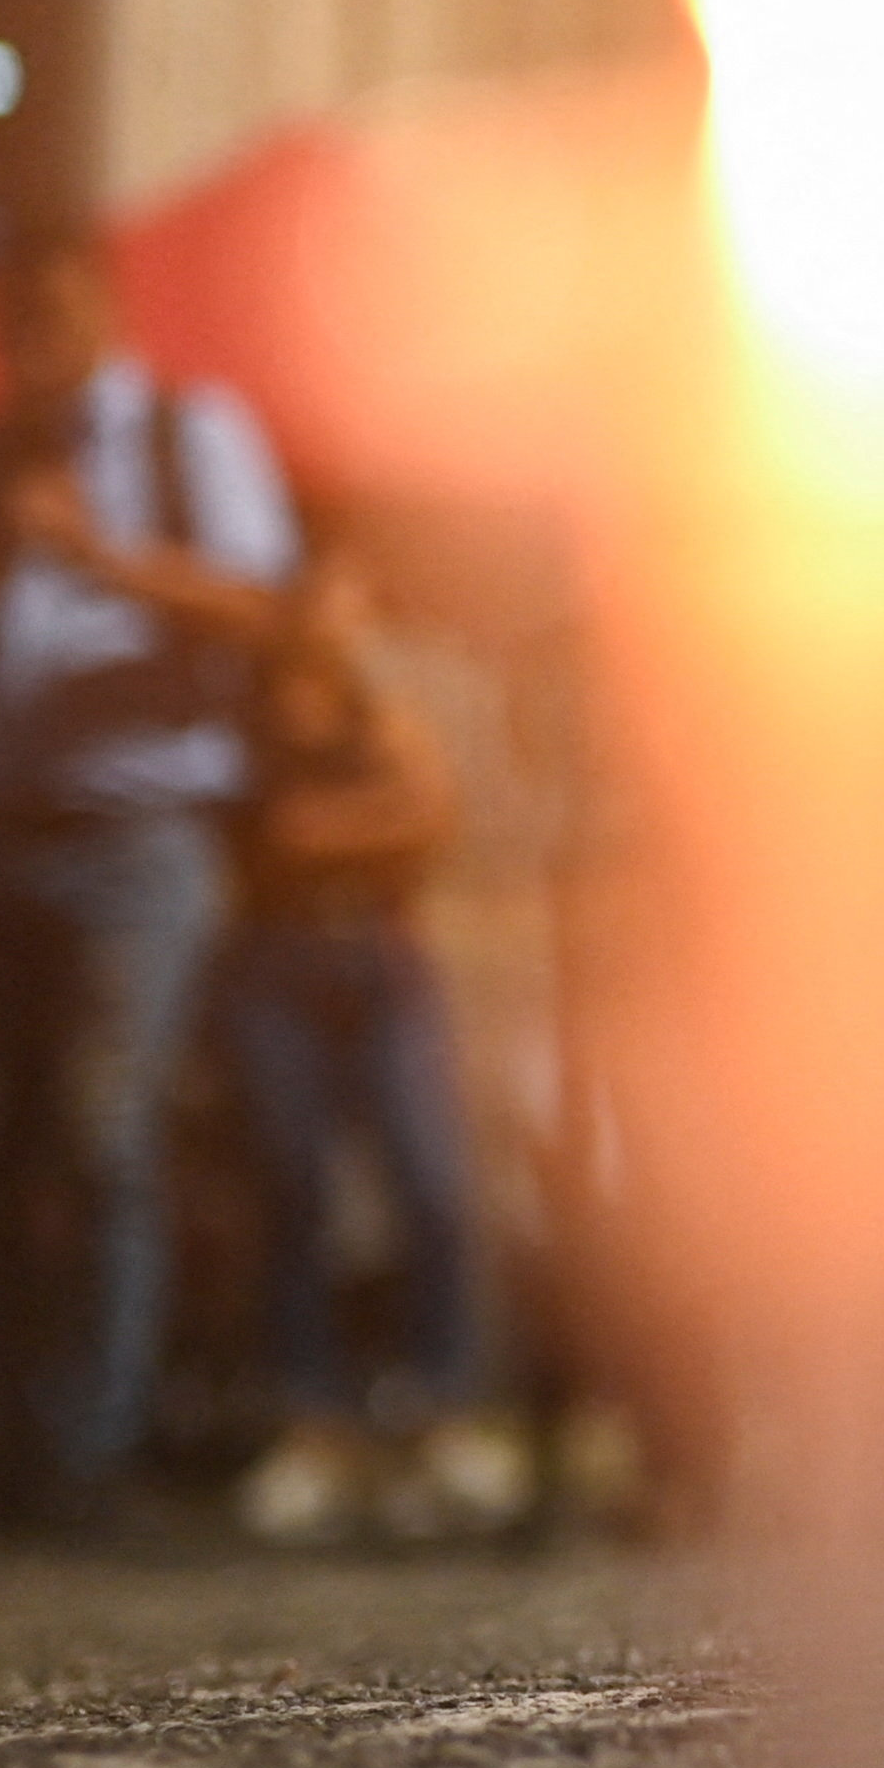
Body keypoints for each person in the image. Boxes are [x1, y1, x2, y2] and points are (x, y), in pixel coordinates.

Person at [0, 230, 297, 1528]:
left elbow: (262, 609)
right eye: (15, 326)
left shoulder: (190, 439)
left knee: (107, 1134)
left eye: (57, 318)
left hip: (135, 839)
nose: (35, 350)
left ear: (104, 312)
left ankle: (91, 1451)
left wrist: (97, 558)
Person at [213, 550, 524, 1544]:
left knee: (433, 1185)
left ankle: (443, 1412)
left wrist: (341, 828)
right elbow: (276, 837)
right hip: (279, 967)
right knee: (293, 1184)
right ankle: (316, 1421)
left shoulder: (376, 710)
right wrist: (370, 824)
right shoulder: (243, 716)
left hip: (382, 965)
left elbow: (427, 813)